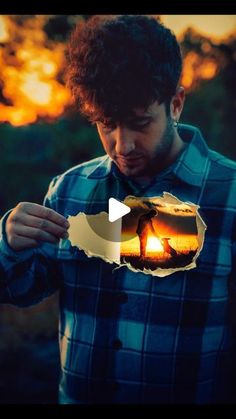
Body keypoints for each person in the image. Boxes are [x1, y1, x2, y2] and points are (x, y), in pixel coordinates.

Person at [0, 15, 236, 404]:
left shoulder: (228, 195)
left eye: (139, 123)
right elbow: (23, 291)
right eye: (106, 124)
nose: (121, 145)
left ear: (176, 103)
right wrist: (10, 243)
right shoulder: (69, 188)